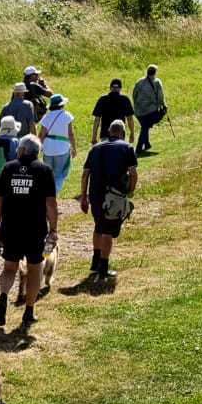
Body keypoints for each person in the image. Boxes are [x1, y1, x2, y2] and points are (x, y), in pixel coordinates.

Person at [0, 135, 57, 330]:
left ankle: (3, 296)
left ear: (21, 150)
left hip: (11, 226)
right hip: (35, 228)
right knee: (34, 268)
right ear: (37, 152)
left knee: (9, 267)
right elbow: (51, 204)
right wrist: (54, 228)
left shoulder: (9, 168)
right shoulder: (45, 170)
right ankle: (29, 310)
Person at [77, 120, 138, 282]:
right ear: (122, 133)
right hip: (114, 195)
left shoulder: (95, 148)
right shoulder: (127, 148)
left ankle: (95, 261)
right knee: (108, 231)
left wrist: (84, 196)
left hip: (95, 194)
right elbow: (133, 173)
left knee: (98, 226)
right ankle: (103, 268)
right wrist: (131, 190)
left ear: (109, 132)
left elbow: (85, 174)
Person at [36, 95, 76, 193]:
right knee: (60, 174)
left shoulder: (47, 116)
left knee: (48, 174)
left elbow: (42, 134)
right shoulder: (67, 115)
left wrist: (38, 147)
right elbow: (71, 134)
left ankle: (45, 194)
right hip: (62, 148)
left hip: (48, 148)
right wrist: (74, 147)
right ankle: (53, 194)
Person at [131, 66, 167, 155]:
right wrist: (163, 106)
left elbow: (134, 94)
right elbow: (160, 97)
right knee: (145, 127)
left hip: (138, 111)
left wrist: (137, 104)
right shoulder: (157, 82)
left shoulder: (139, 82)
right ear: (155, 72)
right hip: (150, 110)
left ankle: (146, 144)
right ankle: (139, 148)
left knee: (145, 126)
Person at [91, 79, 135, 147]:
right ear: (120, 88)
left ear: (110, 88)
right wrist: (132, 133)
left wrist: (94, 136)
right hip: (120, 134)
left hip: (105, 134)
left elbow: (97, 119)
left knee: (105, 155)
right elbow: (130, 119)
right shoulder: (125, 99)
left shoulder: (103, 99)